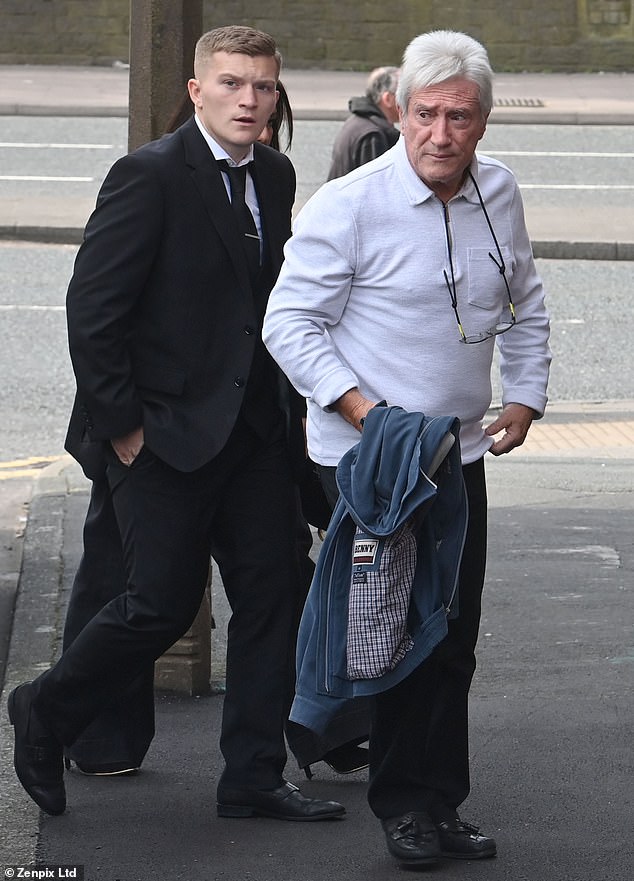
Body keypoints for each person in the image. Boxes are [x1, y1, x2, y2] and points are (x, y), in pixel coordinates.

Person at [8, 24, 345, 824]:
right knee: (157, 603)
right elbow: (94, 310)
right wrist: (124, 425)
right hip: (161, 435)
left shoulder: (274, 170)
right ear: (196, 91)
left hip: (255, 435)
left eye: (263, 86)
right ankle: (45, 708)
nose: (250, 100)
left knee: (277, 593)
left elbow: (265, 304)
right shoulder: (150, 175)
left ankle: (253, 776)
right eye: (232, 84)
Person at [263, 29, 551, 866]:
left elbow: (525, 303)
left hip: (455, 455)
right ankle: (401, 807)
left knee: (454, 633)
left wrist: (528, 390)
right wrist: (364, 411)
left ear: (484, 124)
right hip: (374, 459)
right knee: (400, 634)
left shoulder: (500, 193)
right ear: (400, 111)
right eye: (426, 114)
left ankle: (441, 800)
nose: (441, 133)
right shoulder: (350, 203)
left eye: (459, 117)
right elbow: (289, 322)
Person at [327, 65, 400, 180]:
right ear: (388, 99)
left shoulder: (358, 121)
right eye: (404, 95)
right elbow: (377, 186)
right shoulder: (373, 135)